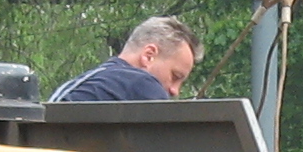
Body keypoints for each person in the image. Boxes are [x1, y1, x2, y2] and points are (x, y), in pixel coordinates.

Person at [50, 17, 202, 103]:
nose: (175, 91)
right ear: (149, 56)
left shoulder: (94, 82)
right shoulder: (141, 83)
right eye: (175, 76)